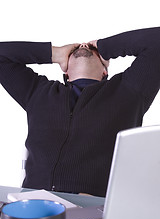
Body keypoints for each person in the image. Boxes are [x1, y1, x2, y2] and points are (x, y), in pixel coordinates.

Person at [0, 27, 160, 197]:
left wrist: (105, 47)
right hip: (32, 205)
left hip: (91, 208)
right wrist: (54, 53)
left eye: (91, 50)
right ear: (66, 72)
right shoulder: (39, 92)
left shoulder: (128, 92)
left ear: (105, 71)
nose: (84, 46)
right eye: (76, 50)